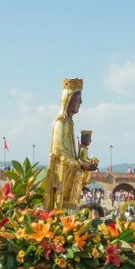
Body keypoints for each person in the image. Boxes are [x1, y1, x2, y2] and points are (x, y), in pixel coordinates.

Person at [41, 78, 97, 213]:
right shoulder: (61, 123)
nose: (81, 102)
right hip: (61, 180)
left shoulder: (69, 124)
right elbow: (60, 155)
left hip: (71, 178)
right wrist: (81, 165)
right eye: (78, 98)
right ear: (68, 99)